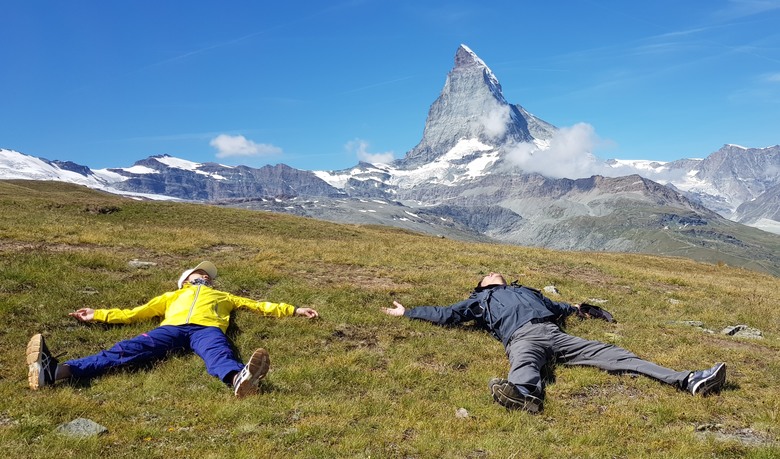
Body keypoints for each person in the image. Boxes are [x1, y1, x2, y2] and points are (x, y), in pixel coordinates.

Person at [382, 272, 726, 413]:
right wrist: (408, 312)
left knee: (615, 354)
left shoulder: (528, 292)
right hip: (522, 337)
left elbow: (560, 306)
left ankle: (689, 379)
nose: (493, 272)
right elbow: (447, 314)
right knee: (525, 364)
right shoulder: (480, 301)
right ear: (483, 286)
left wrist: (582, 309)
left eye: (495, 272)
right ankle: (524, 395)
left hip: (557, 334)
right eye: (488, 275)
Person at [26, 261, 319, 397]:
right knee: (126, 350)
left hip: (207, 330)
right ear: (185, 281)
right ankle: (56, 372)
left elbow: (259, 305)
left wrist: (294, 309)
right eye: (198, 274)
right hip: (171, 329)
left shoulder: (224, 296)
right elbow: (135, 314)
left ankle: (239, 380)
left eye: (207, 276)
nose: (204, 276)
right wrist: (97, 314)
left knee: (218, 353)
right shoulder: (171, 297)